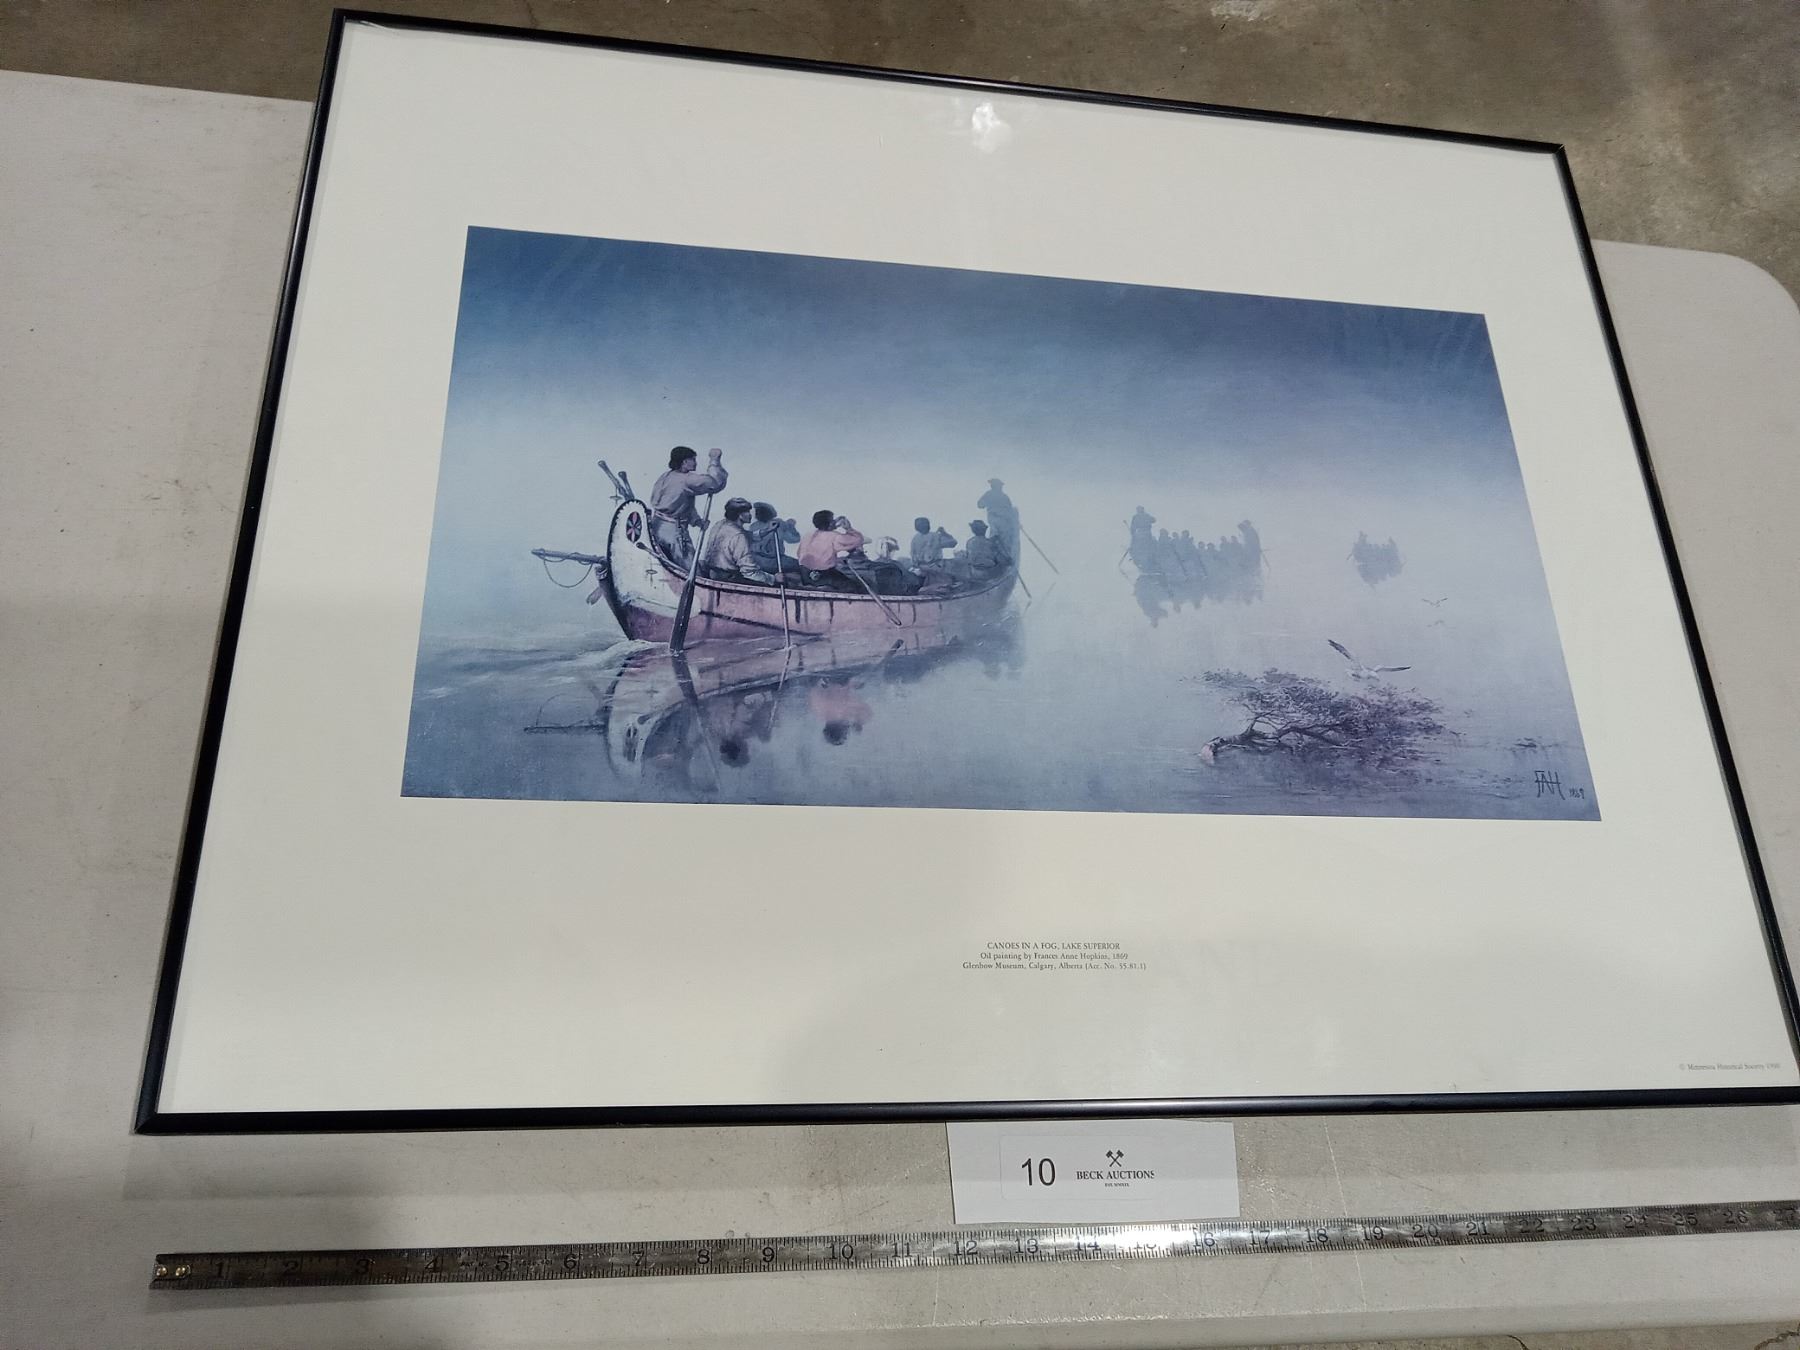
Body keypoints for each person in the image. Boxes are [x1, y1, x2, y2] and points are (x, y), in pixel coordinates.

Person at [649, 446, 727, 565]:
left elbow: (681, 503)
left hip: (656, 527)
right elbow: (714, 483)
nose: (696, 463)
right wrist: (714, 461)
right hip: (674, 532)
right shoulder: (687, 479)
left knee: (663, 563)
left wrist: (696, 521)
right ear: (685, 462)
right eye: (693, 459)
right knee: (689, 568)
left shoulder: (666, 476)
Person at [699, 497, 776, 585]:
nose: (751, 515)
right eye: (747, 512)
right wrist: (773, 578)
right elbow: (749, 572)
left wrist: (767, 530)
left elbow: (747, 535)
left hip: (713, 573)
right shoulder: (739, 536)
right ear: (740, 515)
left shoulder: (721, 524)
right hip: (728, 580)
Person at [797, 509, 867, 587]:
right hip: (823, 577)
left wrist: (835, 560)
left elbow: (801, 555)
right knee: (854, 586)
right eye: (833, 520)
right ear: (830, 524)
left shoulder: (807, 536)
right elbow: (858, 540)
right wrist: (848, 528)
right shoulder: (834, 536)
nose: (835, 521)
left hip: (805, 575)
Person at [746, 501, 802, 577]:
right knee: (800, 566)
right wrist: (790, 526)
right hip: (774, 561)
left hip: (757, 562)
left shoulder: (753, 526)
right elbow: (794, 539)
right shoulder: (778, 523)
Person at [977, 478, 1020, 563]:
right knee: (1001, 539)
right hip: (1001, 520)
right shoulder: (1003, 496)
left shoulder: (991, 495)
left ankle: (997, 558)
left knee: (995, 537)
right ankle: (1001, 558)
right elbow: (980, 504)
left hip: (997, 519)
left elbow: (980, 505)